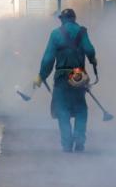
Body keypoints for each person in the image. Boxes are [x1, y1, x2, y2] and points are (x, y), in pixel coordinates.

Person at [34, 8, 97, 152]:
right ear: (74, 18)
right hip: (78, 76)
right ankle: (79, 140)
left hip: (62, 77)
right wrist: (93, 61)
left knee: (62, 110)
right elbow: (90, 50)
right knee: (81, 109)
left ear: (62, 19)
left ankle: (67, 144)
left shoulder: (55, 34)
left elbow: (48, 59)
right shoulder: (82, 32)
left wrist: (41, 75)